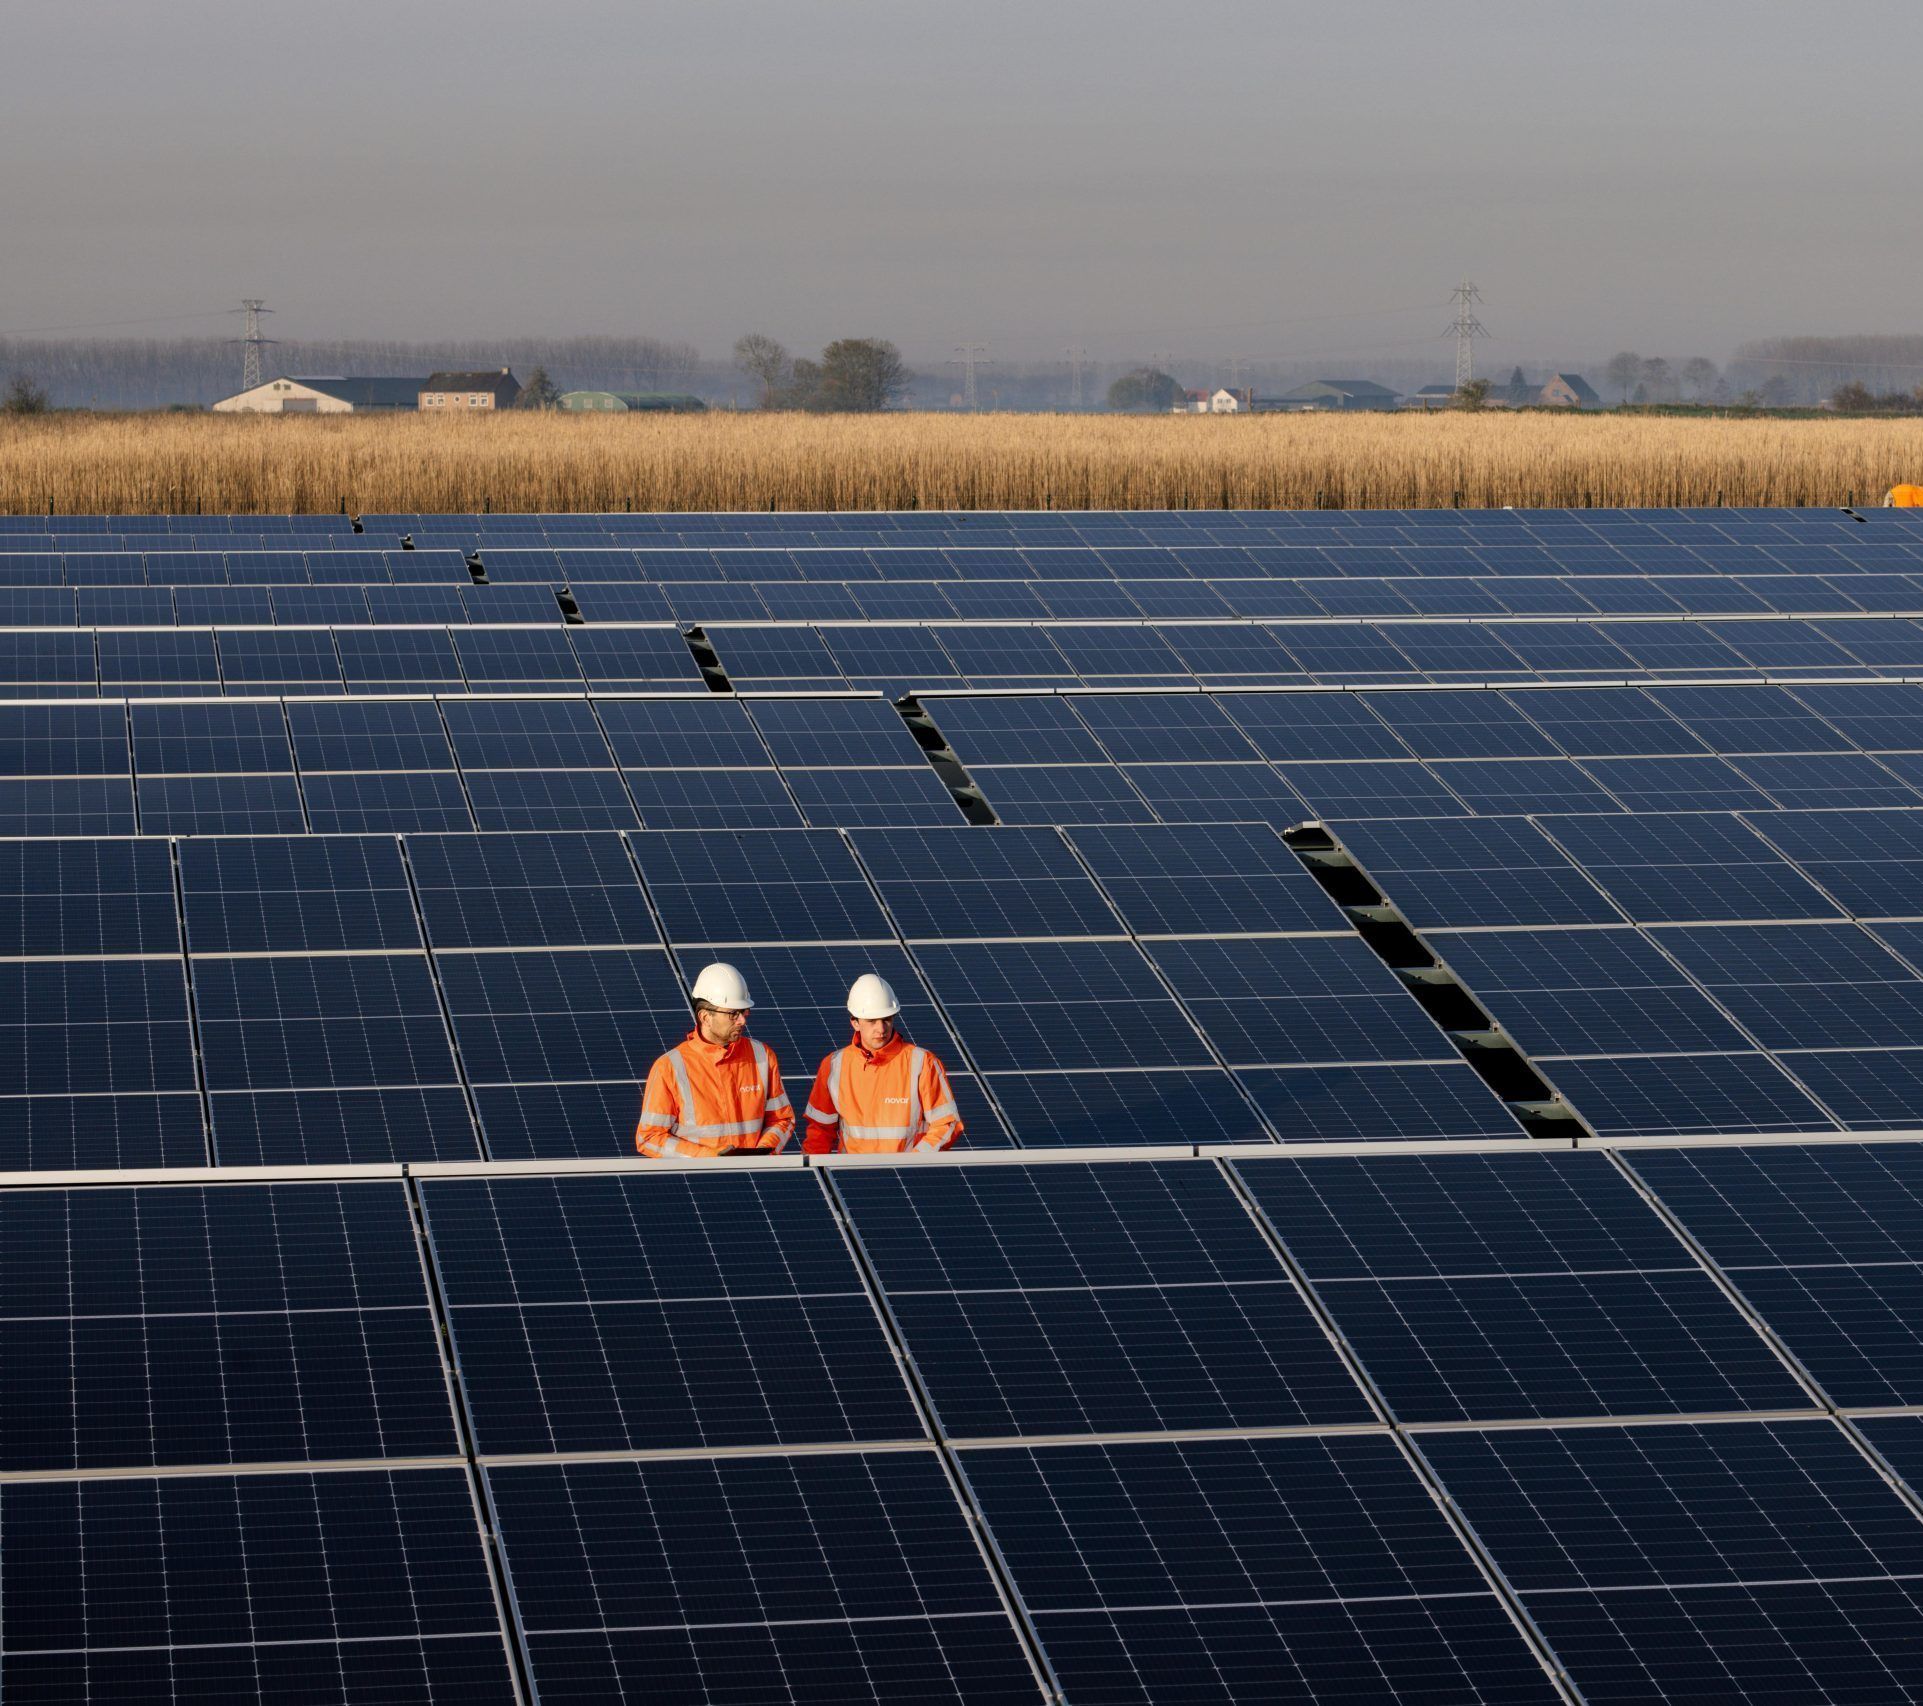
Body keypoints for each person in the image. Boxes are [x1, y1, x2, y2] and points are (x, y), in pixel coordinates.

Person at [636, 961, 794, 1158]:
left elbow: (782, 1120)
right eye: (732, 1014)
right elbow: (649, 1138)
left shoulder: (762, 1055)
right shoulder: (669, 1067)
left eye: (744, 1012)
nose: (742, 1020)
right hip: (701, 1183)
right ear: (705, 1017)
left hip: (757, 1176)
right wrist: (709, 1160)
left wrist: (761, 1156)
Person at [803, 974, 963, 1155]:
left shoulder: (922, 1063)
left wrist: (916, 1162)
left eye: (887, 1019)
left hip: (910, 1176)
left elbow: (947, 1124)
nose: (881, 1029)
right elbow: (819, 1132)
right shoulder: (834, 1066)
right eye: (871, 1021)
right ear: (855, 1022)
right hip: (852, 1178)